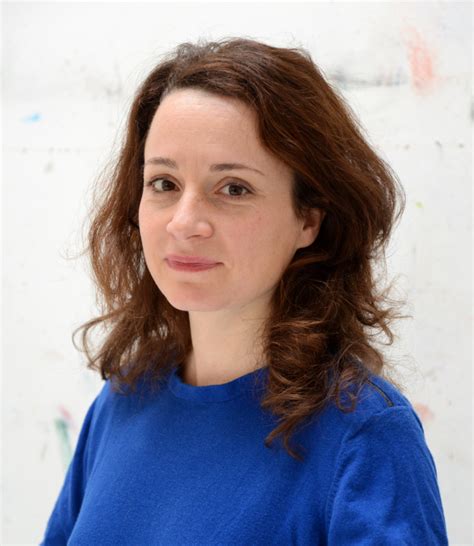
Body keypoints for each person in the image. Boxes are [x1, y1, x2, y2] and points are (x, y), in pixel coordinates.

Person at [40, 37, 449, 545]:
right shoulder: (123, 400)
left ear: (309, 219)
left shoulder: (363, 435)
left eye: (233, 188)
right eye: (164, 183)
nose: (184, 222)